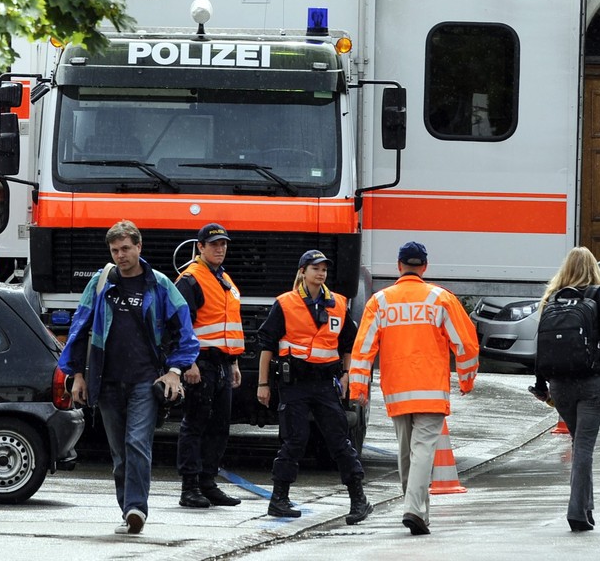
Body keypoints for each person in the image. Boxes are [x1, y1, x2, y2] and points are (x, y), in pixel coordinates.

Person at [59, 220, 199, 536]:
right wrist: (76, 375)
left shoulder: (161, 285)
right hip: (106, 382)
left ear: (139, 247)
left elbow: (186, 334)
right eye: (115, 250)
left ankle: (137, 507)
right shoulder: (99, 283)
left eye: (126, 248)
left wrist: (174, 371)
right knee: (120, 453)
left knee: (137, 442)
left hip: (145, 382)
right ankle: (128, 510)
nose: (121, 255)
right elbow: (79, 330)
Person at [348, 241, 480, 536]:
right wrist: (467, 377)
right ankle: (413, 509)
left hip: (398, 390)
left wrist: (358, 388)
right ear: (425, 267)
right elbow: (466, 343)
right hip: (431, 389)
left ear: (399, 267)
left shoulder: (380, 301)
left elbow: (363, 348)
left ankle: (417, 511)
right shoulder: (440, 299)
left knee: (407, 452)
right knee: (422, 453)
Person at [256, 249, 372, 524]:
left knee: (340, 441)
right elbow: (266, 346)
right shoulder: (285, 304)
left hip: (325, 385)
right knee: (294, 441)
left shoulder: (339, 304)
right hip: (294, 384)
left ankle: (359, 500)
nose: (321, 274)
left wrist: (347, 374)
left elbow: (348, 346)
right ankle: (279, 500)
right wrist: (263, 384)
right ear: (303, 272)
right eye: (315, 268)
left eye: (324, 269)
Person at [530, 246, 600, 532]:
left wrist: (541, 386)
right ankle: (576, 511)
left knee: (579, 444)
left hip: (560, 385)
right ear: (594, 267)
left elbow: (542, 347)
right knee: (584, 447)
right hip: (594, 383)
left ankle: (586, 507)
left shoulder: (553, 298)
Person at [172, 222, 244, 509]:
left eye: (223, 244)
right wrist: (188, 363)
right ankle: (189, 487)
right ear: (199, 247)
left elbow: (230, 326)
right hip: (200, 363)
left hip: (222, 364)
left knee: (219, 426)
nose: (220, 248)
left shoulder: (223, 279)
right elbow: (180, 326)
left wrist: (234, 362)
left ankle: (208, 483)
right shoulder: (190, 279)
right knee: (195, 424)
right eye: (214, 244)